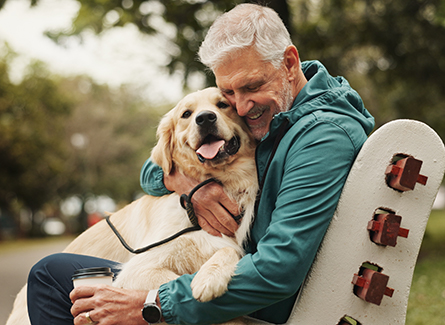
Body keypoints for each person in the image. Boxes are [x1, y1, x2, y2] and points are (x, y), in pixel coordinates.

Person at [27, 3, 375, 325]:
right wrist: (195, 187)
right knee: (58, 272)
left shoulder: (320, 137)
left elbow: (278, 270)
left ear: (289, 62)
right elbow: (154, 171)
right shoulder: (282, 113)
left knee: (49, 277)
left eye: (251, 86)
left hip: (255, 299)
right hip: (229, 280)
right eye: (229, 93)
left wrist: (152, 304)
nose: (240, 107)